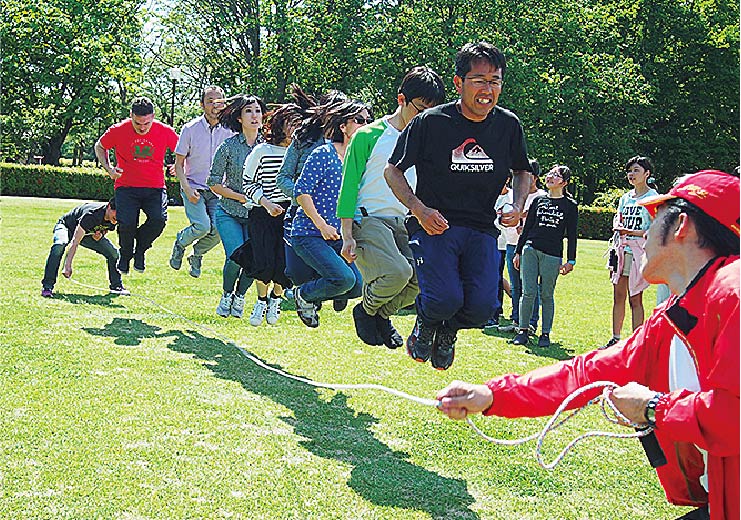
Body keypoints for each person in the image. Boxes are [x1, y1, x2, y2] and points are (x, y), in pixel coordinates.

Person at [437, 170, 739, 520]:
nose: (645, 230)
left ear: (681, 225)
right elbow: (584, 374)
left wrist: (654, 408)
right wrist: (491, 396)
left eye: (654, 217)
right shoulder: (674, 315)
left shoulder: (733, 291)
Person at [384, 41, 531, 370]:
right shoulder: (431, 122)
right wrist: (419, 210)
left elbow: (522, 169)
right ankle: (426, 320)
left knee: (483, 309)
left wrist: (517, 205)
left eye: (495, 81)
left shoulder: (508, 125)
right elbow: (392, 170)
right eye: (479, 80)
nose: (487, 89)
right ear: (458, 83)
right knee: (443, 299)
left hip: (481, 228)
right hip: (435, 225)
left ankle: (447, 329)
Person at [337, 66, 446, 348]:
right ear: (401, 99)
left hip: (403, 221)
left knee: (420, 279)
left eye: (430, 111)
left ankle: (380, 315)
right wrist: (347, 234)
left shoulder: (426, 141)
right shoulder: (367, 136)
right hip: (368, 219)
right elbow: (348, 186)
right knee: (398, 272)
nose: (424, 117)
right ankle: (366, 310)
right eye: (420, 108)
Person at [291, 101, 370, 327]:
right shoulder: (323, 154)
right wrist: (321, 225)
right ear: (343, 126)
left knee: (356, 286)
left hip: (339, 236)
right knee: (344, 279)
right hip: (310, 234)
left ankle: (317, 290)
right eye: (359, 120)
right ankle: (303, 295)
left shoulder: (361, 158)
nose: (365, 125)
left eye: (368, 120)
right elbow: (301, 192)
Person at [277, 88, 348, 300]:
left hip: (337, 220)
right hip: (302, 217)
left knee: (343, 278)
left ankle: (336, 291)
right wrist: (304, 196)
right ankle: (311, 296)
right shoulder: (305, 138)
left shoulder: (351, 144)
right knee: (298, 274)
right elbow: (283, 178)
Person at [94, 96, 178, 274]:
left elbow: (184, 150)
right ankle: (125, 255)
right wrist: (109, 168)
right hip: (126, 186)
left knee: (158, 220)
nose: (142, 127)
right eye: (137, 123)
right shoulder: (118, 130)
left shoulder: (165, 131)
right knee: (127, 223)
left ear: (153, 117)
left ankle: (140, 250)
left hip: (154, 187)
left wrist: (179, 166)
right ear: (130, 115)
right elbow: (100, 147)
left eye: (146, 123)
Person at [239, 103, 303, 326]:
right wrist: (265, 203)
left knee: (282, 261)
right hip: (263, 212)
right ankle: (261, 300)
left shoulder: (299, 153)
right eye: (291, 123)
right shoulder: (262, 151)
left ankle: (276, 298)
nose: (295, 128)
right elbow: (247, 183)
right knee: (262, 259)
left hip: (290, 213)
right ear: (279, 125)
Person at [207, 94, 265, 318]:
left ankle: (240, 296)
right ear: (239, 118)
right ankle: (227, 294)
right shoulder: (228, 147)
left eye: (258, 111)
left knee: (255, 259)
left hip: (258, 215)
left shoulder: (269, 146)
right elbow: (213, 182)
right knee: (235, 256)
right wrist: (242, 197)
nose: (254, 116)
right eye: (249, 111)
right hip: (229, 212)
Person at [169, 86, 235, 278]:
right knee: (203, 226)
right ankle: (180, 242)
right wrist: (187, 189)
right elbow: (179, 163)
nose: (215, 104)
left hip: (218, 191)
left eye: (219, 100)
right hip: (193, 187)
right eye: (210, 101)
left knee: (218, 231)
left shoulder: (232, 130)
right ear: (202, 105)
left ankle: (197, 254)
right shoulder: (190, 129)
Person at [512, 165, 578, 348]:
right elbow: (527, 228)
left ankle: (545, 334)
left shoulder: (570, 206)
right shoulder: (538, 201)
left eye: (555, 176)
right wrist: (518, 251)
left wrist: (571, 260)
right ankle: (523, 331)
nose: (550, 177)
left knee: (547, 295)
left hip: (552, 254)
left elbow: (572, 234)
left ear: (564, 183)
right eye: (549, 174)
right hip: (530, 250)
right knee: (528, 293)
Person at [603, 156, 660, 348]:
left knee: (636, 297)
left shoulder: (653, 198)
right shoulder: (625, 198)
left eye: (636, 170)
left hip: (639, 252)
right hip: (621, 251)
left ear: (647, 174)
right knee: (618, 295)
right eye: (629, 171)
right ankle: (616, 338)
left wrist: (631, 232)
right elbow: (617, 218)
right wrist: (619, 228)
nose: (632, 174)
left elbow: (655, 229)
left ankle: (638, 342)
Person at [41, 198, 128, 297]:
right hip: (67, 227)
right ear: (109, 207)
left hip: (87, 234)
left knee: (113, 253)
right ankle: (47, 287)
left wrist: (101, 234)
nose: (118, 217)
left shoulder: (114, 219)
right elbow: (75, 242)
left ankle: (117, 287)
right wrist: (67, 265)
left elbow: (105, 228)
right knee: (59, 245)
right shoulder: (91, 215)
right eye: (116, 212)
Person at [498, 160, 545, 333]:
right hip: (511, 244)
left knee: (530, 286)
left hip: (530, 247)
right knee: (516, 286)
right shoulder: (512, 195)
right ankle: (517, 320)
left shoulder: (542, 197)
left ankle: (531, 322)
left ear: (535, 178)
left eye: (526, 175)